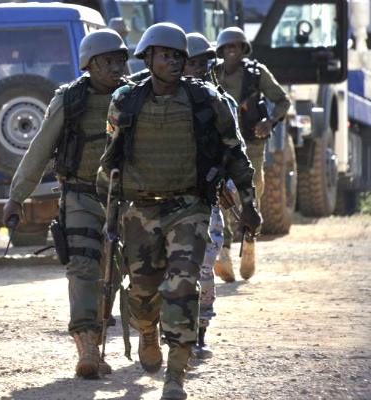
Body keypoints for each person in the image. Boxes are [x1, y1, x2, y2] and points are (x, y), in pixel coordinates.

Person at [98, 23, 261, 399]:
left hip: (189, 206)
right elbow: (111, 160)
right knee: (142, 294)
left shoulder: (206, 100)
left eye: (179, 56)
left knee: (183, 286)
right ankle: (147, 332)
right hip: (140, 210)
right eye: (166, 55)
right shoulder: (125, 100)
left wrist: (249, 204)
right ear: (148, 59)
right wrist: (107, 211)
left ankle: (175, 375)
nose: (174, 62)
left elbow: (234, 152)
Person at [1, 29, 128, 380]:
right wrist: (16, 196)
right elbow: (40, 149)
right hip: (80, 195)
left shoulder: (133, 97)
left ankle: (100, 335)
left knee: (114, 273)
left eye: (120, 60)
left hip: (125, 199)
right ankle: (86, 345)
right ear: (89, 64)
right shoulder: (70, 100)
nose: (116, 67)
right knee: (83, 267)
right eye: (108, 61)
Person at [213, 27, 291, 281]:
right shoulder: (212, 73)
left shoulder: (257, 73)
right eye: (226, 47)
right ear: (220, 50)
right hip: (222, 143)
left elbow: (283, 100)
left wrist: (270, 121)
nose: (231, 51)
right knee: (221, 194)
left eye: (235, 47)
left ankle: (249, 242)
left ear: (243, 49)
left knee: (252, 192)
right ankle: (224, 251)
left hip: (252, 144)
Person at [182, 32, 235, 359]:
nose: (199, 69)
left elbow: (234, 152)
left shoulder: (219, 102)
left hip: (206, 198)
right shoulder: (153, 100)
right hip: (165, 199)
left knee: (204, 268)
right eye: (192, 63)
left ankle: (200, 332)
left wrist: (234, 188)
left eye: (203, 63)